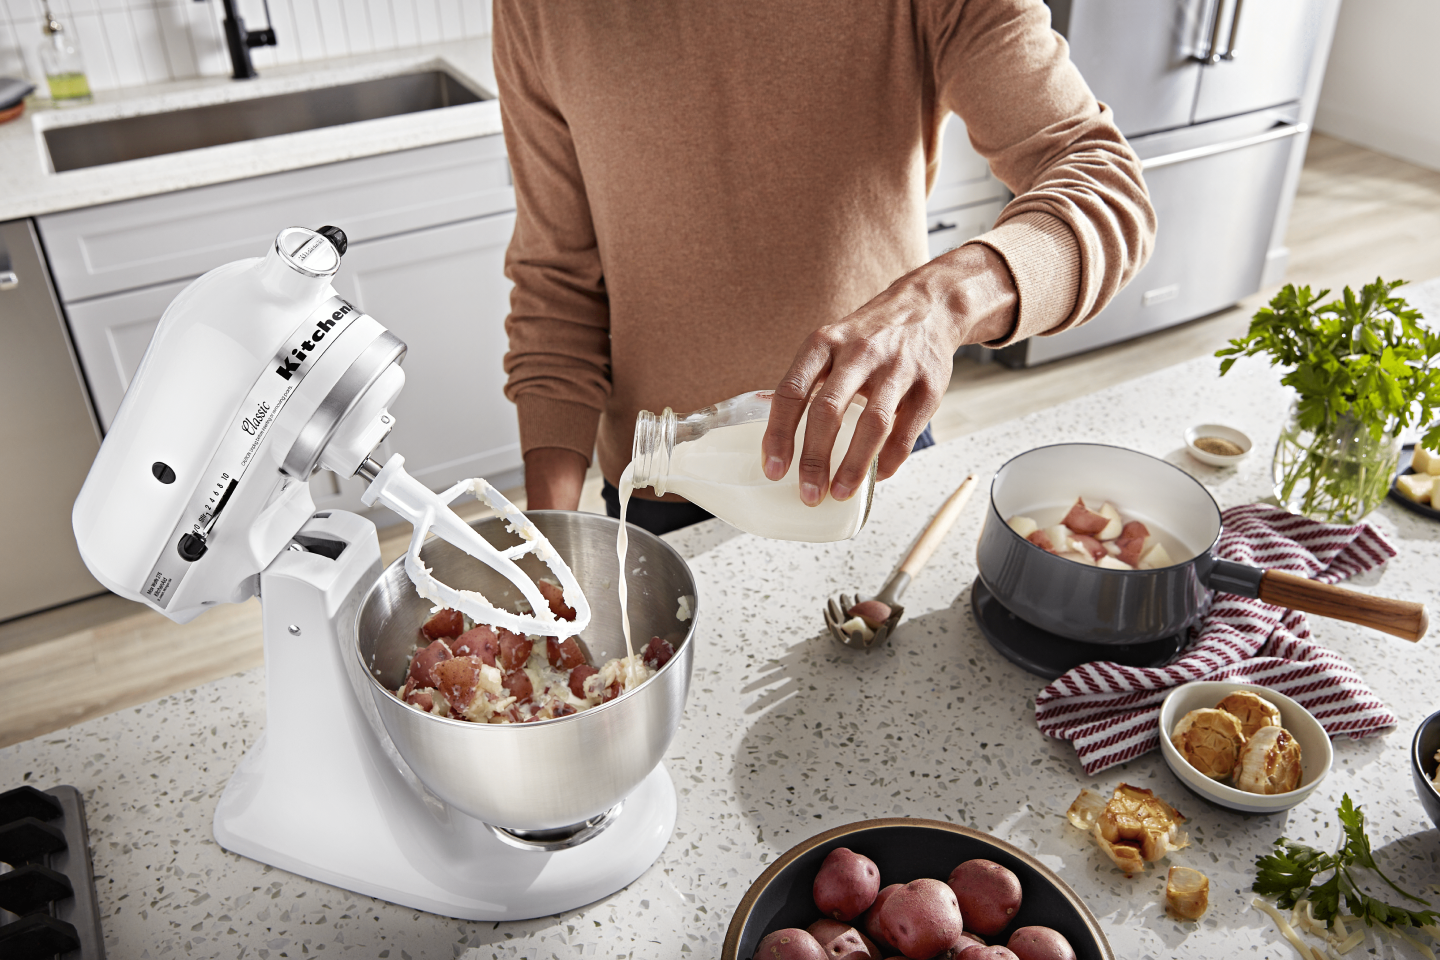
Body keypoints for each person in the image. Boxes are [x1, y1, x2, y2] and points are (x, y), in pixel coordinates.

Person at [496, 0, 1155, 535]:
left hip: (864, 464)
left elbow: (1106, 190)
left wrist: (944, 303)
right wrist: (550, 534)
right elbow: (557, 283)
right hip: (661, 490)